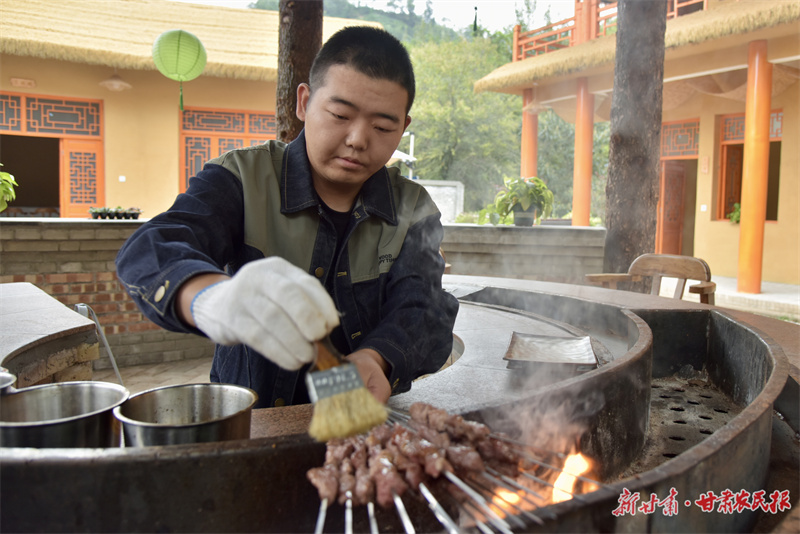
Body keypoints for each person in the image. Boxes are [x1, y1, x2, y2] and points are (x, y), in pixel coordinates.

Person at [115, 26, 459, 409]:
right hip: (253, 425)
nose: (359, 139)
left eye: (382, 127)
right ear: (304, 102)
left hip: (364, 423)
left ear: (403, 128)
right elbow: (151, 247)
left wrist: (374, 358)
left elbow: (424, 307)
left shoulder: (413, 208)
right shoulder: (243, 179)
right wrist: (213, 297)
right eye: (340, 114)